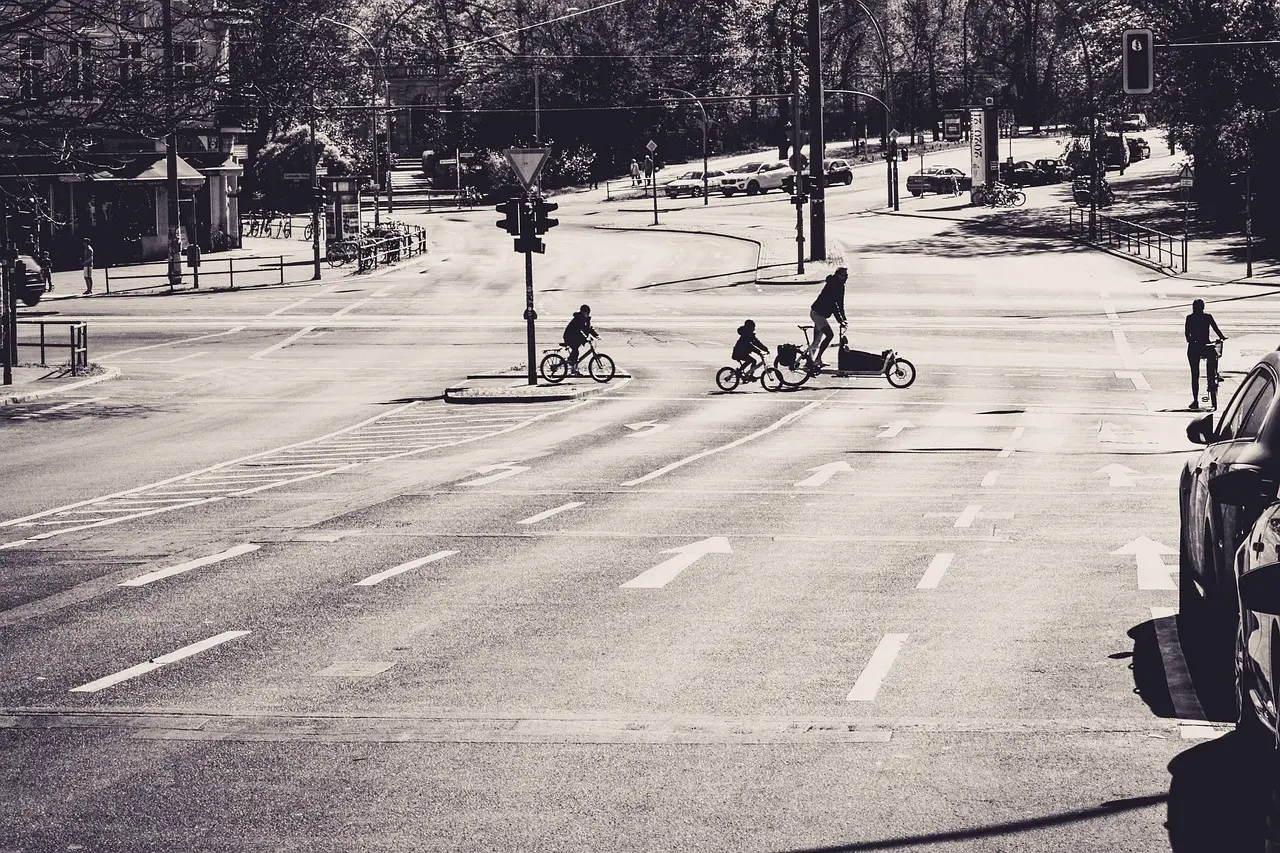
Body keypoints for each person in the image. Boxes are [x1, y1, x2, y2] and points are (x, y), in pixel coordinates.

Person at [1185, 298, 1226, 410]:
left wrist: (1192, 340)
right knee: (1213, 357)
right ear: (1203, 308)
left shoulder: (1189, 318)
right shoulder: (1207, 317)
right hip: (1205, 346)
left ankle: (1195, 400)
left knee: (1195, 374)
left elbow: (1187, 335)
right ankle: (1214, 375)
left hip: (1194, 347)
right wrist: (1222, 337)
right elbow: (1216, 329)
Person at [807, 267, 849, 369]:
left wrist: (843, 318)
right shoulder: (835, 286)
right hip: (818, 314)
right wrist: (841, 320)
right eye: (844, 275)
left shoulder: (837, 284)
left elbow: (840, 304)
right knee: (829, 335)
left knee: (817, 340)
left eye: (847, 275)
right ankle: (816, 359)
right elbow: (835, 305)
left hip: (817, 312)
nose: (846, 277)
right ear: (838, 275)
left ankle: (810, 360)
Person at [562, 304, 599, 373]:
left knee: (575, 353)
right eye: (586, 312)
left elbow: (589, 328)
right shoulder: (578, 319)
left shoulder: (585, 319)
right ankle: (572, 366)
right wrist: (585, 338)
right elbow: (579, 330)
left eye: (588, 313)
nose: (587, 314)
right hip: (569, 337)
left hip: (575, 337)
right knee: (575, 351)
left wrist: (596, 335)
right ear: (582, 312)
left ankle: (573, 367)